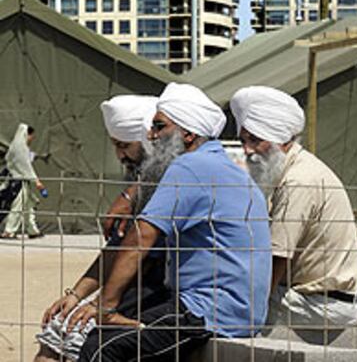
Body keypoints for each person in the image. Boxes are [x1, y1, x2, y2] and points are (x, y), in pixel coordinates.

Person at [70, 82, 272, 362]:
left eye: (159, 127)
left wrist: (105, 305)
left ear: (187, 134)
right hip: (228, 307)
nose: (150, 135)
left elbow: (142, 236)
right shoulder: (220, 166)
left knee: (101, 348)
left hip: (209, 310)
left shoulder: (190, 166)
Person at [34, 94, 168, 362]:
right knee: (58, 328)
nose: (120, 156)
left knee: (76, 334)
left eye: (125, 146)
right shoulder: (145, 183)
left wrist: (101, 303)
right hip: (134, 287)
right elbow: (116, 248)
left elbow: (136, 252)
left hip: (163, 292)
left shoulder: (172, 180)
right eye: (115, 146)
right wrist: (75, 295)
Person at [230, 86, 357, 338]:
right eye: (243, 141)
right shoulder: (292, 168)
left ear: (281, 141)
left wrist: (248, 310)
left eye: (255, 140)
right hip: (327, 295)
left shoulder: (297, 181)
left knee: (229, 296)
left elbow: (277, 258)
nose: (247, 150)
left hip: (327, 303)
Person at [1, 123, 45, 239]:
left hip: (20, 181)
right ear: (27, 134)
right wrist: (37, 181)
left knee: (29, 206)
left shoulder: (14, 147)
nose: (31, 139)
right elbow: (26, 166)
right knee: (18, 207)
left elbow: (11, 160)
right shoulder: (21, 148)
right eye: (31, 136)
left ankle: (32, 230)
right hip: (19, 182)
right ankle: (9, 231)